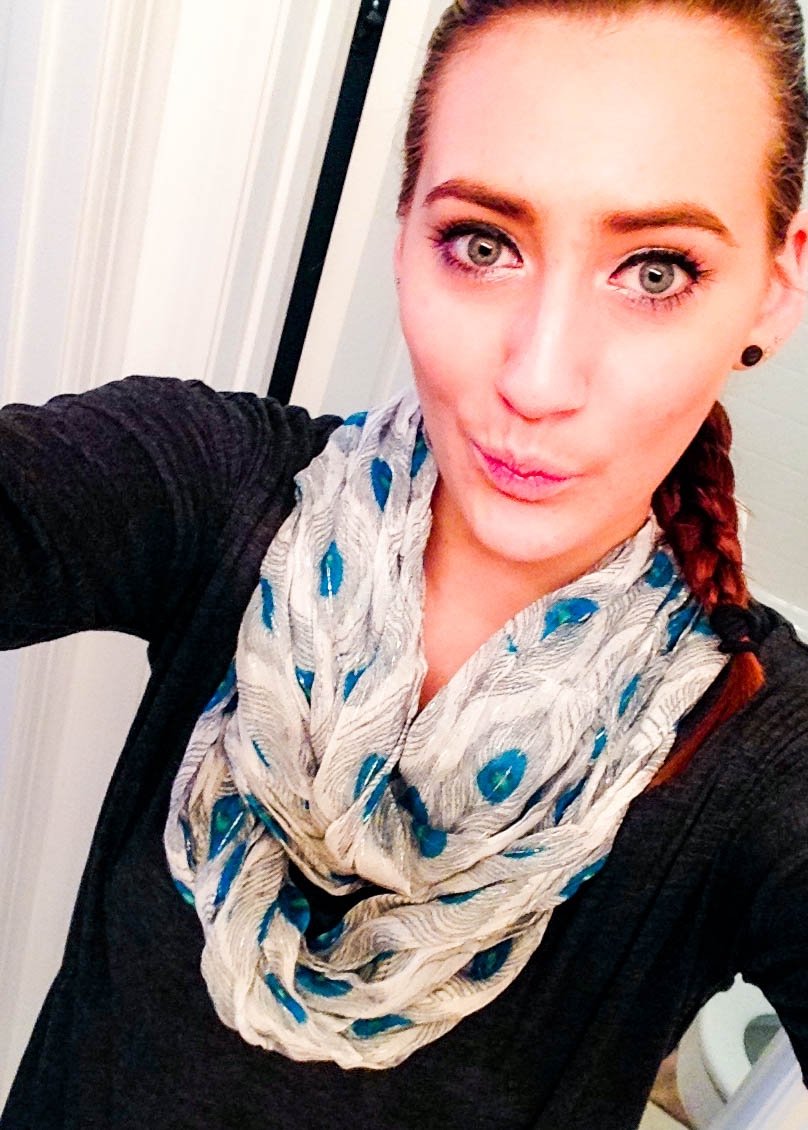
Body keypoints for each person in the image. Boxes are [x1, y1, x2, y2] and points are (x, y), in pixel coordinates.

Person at [2, 0, 808, 1126]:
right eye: (482, 244)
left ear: (775, 285)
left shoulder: (761, 748)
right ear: (403, 238)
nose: (537, 379)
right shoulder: (220, 492)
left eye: (657, 270)